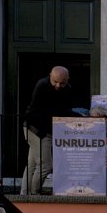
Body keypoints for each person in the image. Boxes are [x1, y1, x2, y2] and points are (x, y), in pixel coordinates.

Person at [24, 66, 75, 194]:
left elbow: (66, 110)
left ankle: (24, 193)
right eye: (55, 82)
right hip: (36, 129)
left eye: (62, 83)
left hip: (45, 129)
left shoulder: (67, 89)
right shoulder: (42, 85)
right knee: (46, 165)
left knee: (32, 165)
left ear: (67, 79)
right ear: (50, 76)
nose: (58, 85)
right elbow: (43, 110)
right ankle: (34, 194)